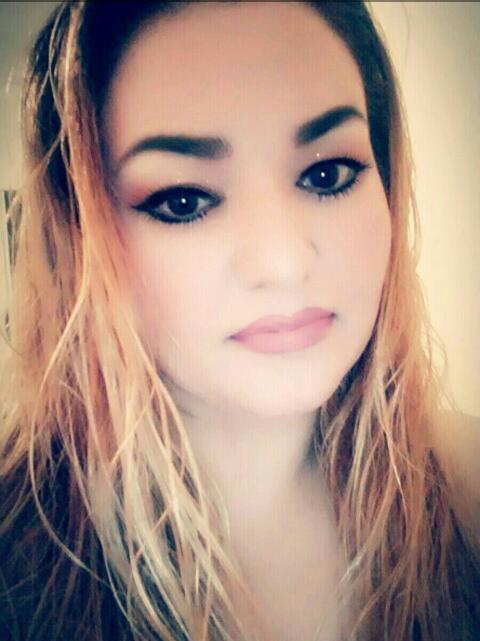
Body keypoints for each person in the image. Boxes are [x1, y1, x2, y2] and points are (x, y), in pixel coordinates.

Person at [0, 2, 479, 640]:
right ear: (78, 240)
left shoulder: (466, 495)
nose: (283, 262)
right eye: (183, 200)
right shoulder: (16, 567)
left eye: (327, 174)